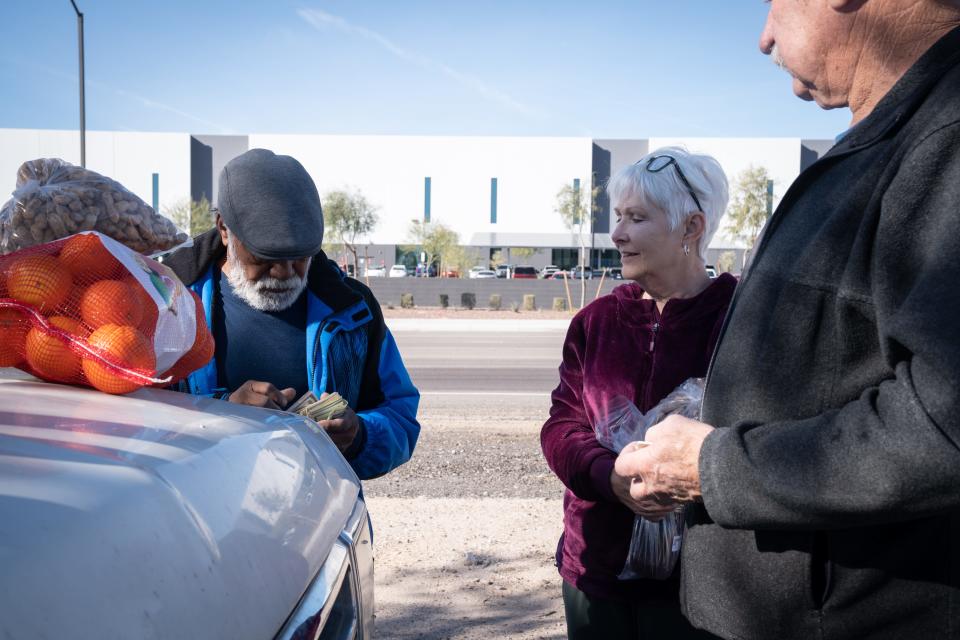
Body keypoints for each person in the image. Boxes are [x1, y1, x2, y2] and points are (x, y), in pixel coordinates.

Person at [615, 2, 960, 638]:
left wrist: (714, 466)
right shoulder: (899, 134)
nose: (764, 36)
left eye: (774, 3)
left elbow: (945, 423)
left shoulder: (945, 142)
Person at [541, 147, 736, 639]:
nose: (618, 233)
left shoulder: (741, 321)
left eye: (637, 218)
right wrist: (609, 477)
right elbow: (561, 427)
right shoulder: (596, 322)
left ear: (691, 228)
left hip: (700, 587)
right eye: (619, 217)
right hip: (594, 575)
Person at [165, 148, 419, 480]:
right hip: (199, 512)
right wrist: (220, 415)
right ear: (224, 229)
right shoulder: (165, 301)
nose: (285, 272)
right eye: (266, 256)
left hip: (316, 518)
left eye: (299, 256)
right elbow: (122, 420)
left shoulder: (354, 311)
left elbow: (401, 418)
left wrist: (360, 435)